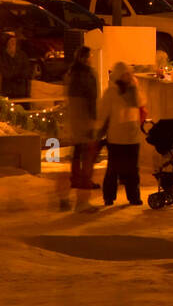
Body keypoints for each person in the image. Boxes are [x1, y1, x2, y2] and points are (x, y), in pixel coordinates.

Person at [97, 61, 148, 207]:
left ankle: (133, 197)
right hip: (117, 138)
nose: (128, 77)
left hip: (132, 137)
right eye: (125, 74)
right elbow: (103, 113)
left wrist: (134, 87)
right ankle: (109, 196)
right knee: (113, 170)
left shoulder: (134, 91)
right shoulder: (111, 93)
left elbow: (141, 103)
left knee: (133, 170)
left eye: (129, 74)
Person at [60, 46, 101, 211]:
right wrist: (93, 122)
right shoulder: (88, 75)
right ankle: (82, 201)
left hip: (74, 120)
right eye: (90, 56)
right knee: (88, 161)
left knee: (76, 157)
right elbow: (92, 99)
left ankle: (66, 196)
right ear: (85, 58)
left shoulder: (71, 74)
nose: (91, 59)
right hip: (85, 120)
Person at [0, 33, 33, 103]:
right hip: (8, 90)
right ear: (7, 43)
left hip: (21, 91)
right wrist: (18, 74)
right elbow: (5, 73)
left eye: (14, 41)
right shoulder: (2, 57)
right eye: (10, 41)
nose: (13, 43)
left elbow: (27, 71)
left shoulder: (22, 55)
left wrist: (18, 75)